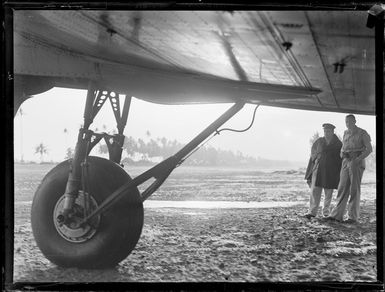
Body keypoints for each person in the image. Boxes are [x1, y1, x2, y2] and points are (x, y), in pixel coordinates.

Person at [325, 114, 372, 223]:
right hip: (345, 161)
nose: (348, 124)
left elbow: (369, 149)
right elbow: (343, 147)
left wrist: (358, 159)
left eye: (350, 121)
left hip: (356, 161)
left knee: (354, 189)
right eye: (346, 122)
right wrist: (342, 153)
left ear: (355, 121)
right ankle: (337, 215)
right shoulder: (345, 133)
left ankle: (352, 217)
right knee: (342, 188)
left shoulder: (362, 133)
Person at [304, 123, 342, 219]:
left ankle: (326, 212)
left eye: (328, 131)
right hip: (318, 169)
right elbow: (313, 152)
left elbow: (340, 157)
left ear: (333, 132)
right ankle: (312, 212)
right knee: (315, 191)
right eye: (325, 131)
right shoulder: (319, 141)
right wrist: (316, 158)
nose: (326, 133)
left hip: (331, 171)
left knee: (328, 192)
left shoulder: (338, 143)